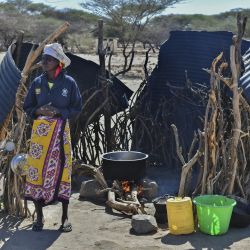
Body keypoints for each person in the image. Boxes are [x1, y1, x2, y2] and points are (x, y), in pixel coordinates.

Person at [23, 43, 82, 232]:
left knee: (63, 170)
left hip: (60, 134)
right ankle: (39, 218)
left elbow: (76, 108)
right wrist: (38, 110)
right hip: (40, 137)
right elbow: (27, 106)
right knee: (38, 171)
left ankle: (64, 218)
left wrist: (59, 111)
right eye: (43, 59)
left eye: (48, 59)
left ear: (58, 62)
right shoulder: (37, 83)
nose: (44, 62)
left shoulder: (69, 83)